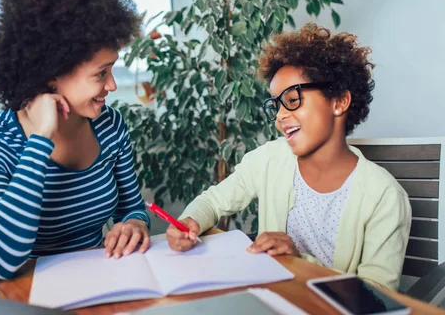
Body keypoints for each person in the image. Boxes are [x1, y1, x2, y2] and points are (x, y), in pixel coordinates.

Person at [166, 24, 411, 290]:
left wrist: (298, 260)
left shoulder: (384, 196)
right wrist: (190, 221)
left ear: (339, 101)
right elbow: (212, 202)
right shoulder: (269, 160)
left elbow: (378, 295)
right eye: (276, 104)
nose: (281, 116)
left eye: (293, 99)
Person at [0, 0, 151, 280]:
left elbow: (132, 207)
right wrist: (40, 140)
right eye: (100, 74)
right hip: (28, 294)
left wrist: (134, 224)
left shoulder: (110, 125)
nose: (112, 86)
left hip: (105, 284)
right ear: (51, 73)